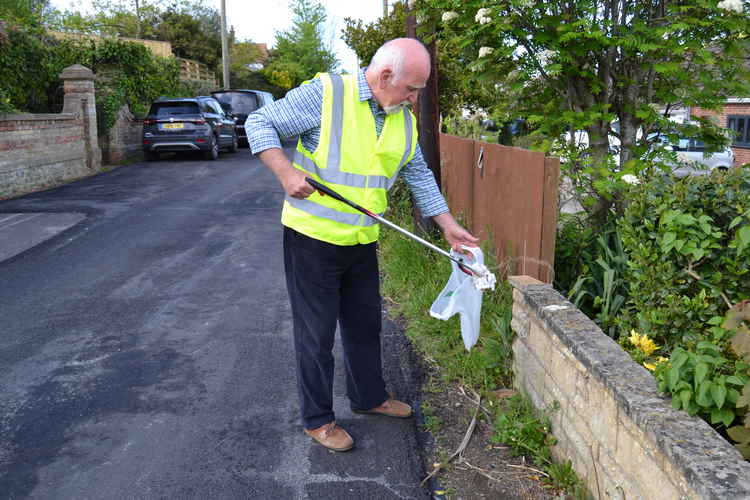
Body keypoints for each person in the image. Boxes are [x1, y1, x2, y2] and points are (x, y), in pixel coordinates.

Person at [246, 37, 479, 452]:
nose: (412, 99)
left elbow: (418, 173)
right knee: (315, 335)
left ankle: (369, 397)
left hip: (361, 239)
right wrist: (285, 172)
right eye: (410, 90)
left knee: (364, 325)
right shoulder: (327, 94)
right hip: (311, 238)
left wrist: (447, 223)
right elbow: (259, 124)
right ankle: (318, 419)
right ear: (386, 75)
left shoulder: (400, 120)